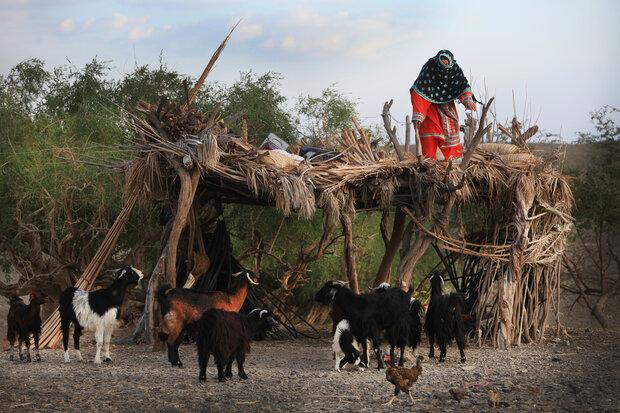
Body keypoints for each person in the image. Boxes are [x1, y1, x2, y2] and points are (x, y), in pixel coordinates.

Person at [410, 50, 476, 160]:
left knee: (451, 134)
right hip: (429, 108)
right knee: (430, 135)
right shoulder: (430, 67)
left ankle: (453, 164)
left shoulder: (454, 69)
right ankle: (429, 165)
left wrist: (467, 100)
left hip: (446, 107)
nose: (444, 67)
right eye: (442, 64)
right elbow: (418, 90)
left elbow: (462, 85)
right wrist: (418, 115)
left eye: (446, 64)